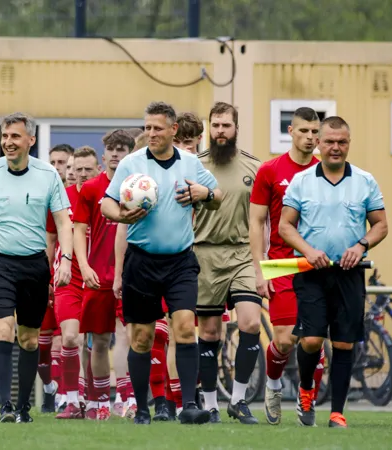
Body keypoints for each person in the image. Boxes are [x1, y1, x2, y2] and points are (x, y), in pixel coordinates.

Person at [101, 101, 222, 425]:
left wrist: (204, 194)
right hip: (141, 261)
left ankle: (189, 405)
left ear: (173, 130)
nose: (151, 133)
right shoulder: (131, 164)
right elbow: (106, 204)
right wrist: (121, 215)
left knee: (184, 327)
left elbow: (217, 195)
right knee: (142, 337)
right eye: (148, 128)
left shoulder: (191, 163)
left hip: (180, 261)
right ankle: (143, 409)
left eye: (157, 128)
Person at [0, 112, 72, 423]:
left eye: (15, 136)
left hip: (34, 265)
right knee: (4, 328)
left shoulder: (48, 175)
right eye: (5, 136)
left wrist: (66, 261)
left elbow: (64, 222)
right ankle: (5, 406)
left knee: (30, 338)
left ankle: (23, 408)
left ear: (31, 140)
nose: (8, 142)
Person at [279, 116, 388, 429]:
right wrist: (308, 250)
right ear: (318, 143)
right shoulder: (301, 181)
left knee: (343, 344)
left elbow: (381, 225)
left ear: (349, 143)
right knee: (312, 340)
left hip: (349, 274)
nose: (335, 147)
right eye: (329, 142)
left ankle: (337, 413)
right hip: (311, 273)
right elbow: (285, 225)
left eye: (341, 142)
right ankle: (306, 391)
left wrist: (361, 244)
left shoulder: (365, 180)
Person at [249, 107, 325, 425]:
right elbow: (256, 221)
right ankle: (274, 384)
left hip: (316, 266)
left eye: (315, 132)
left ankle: (307, 397)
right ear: (291, 131)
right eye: (303, 131)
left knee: (313, 340)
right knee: (283, 340)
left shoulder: (326, 170)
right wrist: (259, 269)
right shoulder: (270, 170)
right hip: (280, 264)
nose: (310, 137)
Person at [192, 102, 263, 425]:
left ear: (236, 128)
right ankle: (210, 405)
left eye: (226, 125)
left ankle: (238, 400)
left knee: (251, 323)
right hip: (204, 254)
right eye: (216, 125)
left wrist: (262, 262)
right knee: (209, 332)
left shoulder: (255, 167)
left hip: (243, 254)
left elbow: (262, 220)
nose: (220, 131)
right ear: (209, 128)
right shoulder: (195, 166)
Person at [73, 130, 133, 421]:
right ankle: (99, 402)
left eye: (121, 149)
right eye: (111, 149)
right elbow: (78, 230)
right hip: (98, 275)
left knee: (128, 336)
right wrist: (84, 266)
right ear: (104, 154)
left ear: (130, 154)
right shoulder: (91, 188)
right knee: (98, 341)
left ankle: (128, 398)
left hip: (130, 274)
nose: (116, 154)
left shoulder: (137, 185)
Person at [51, 145, 100, 420]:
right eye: (77, 169)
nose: (82, 174)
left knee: (95, 343)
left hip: (97, 278)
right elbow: (50, 239)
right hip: (67, 277)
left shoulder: (106, 198)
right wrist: (47, 274)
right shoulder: (61, 198)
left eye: (87, 169)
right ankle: (71, 400)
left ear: (98, 170)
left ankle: (94, 401)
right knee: (70, 337)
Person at [39, 143, 74, 413]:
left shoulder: (76, 198)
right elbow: (48, 240)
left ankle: (65, 394)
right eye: (53, 162)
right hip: (45, 272)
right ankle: (50, 386)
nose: (57, 168)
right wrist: (45, 274)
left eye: (62, 162)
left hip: (71, 277)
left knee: (65, 338)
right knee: (41, 341)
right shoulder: (44, 195)